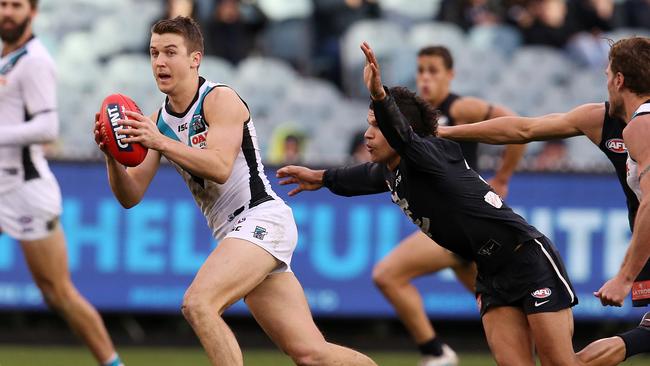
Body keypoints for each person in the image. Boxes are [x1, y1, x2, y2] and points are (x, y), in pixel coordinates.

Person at [277, 41, 650, 365]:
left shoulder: (425, 154)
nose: (367, 133)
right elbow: (359, 177)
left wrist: (380, 96)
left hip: (526, 259)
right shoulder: (392, 169)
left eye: (376, 125)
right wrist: (321, 178)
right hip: (490, 275)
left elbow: (409, 137)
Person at [93, 16, 376, 366]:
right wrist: (112, 158)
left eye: (170, 52)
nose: (160, 62)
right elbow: (130, 196)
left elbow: (220, 168)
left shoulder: (218, 99)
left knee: (198, 303)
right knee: (310, 353)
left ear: (195, 59)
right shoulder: (158, 121)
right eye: (153, 53)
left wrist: (161, 142)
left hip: (262, 218)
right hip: (236, 233)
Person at [438, 36, 650, 364]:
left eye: (607, 74)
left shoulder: (643, 127)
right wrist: (443, 133)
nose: (605, 82)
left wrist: (624, 278)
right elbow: (524, 130)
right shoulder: (601, 120)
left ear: (619, 79)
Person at [370, 45, 525, 366]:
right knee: (501, 308)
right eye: (421, 70)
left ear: (450, 75)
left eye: (433, 70)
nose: (425, 78)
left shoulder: (460, 108)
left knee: (388, 274)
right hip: (460, 231)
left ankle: (436, 353)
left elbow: (513, 122)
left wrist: (504, 177)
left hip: (460, 224)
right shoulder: (412, 117)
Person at [0, 1, 122, 365]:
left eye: (16, 5)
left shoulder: (35, 61)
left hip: (25, 190)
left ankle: (113, 363)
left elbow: (47, 127)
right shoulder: (7, 57)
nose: (7, 12)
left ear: (33, 12)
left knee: (57, 292)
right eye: (3, 4)